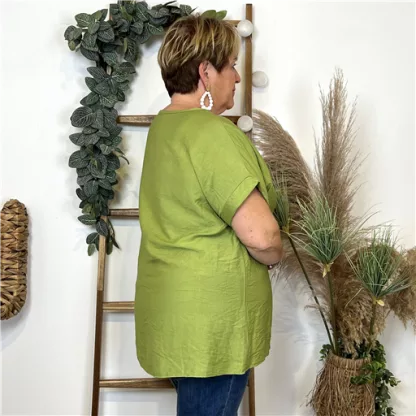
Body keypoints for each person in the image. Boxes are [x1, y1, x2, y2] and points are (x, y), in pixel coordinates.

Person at [135, 15, 283, 416]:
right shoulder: (211, 133)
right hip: (214, 328)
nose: (237, 77)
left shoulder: (164, 127)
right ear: (205, 72)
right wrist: (276, 254)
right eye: (231, 65)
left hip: (175, 316)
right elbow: (263, 236)